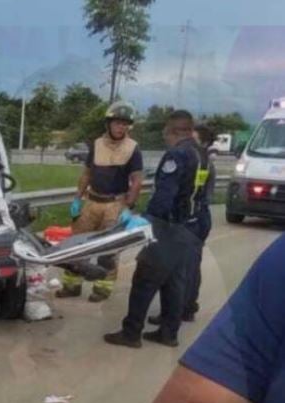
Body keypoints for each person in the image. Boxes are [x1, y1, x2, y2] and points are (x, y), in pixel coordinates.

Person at [140, 234, 285, 403]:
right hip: (181, 226)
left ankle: (168, 325)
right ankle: (176, 318)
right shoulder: (280, 261)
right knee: (183, 272)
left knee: (174, 274)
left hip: (177, 226)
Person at [104, 110, 201, 348]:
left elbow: (165, 195)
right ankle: (169, 333)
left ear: (173, 131)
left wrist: (147, 219)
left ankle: (131, 332)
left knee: (145, 278)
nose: (165, 138)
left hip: (166, 226)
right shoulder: (199, 153)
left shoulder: (176, 155)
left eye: (165, 134)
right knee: (174, 281)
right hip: (187, 226)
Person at [56, 101, 144, 302]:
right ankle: (71, 286)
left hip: (115, 204)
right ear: (109, 123)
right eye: (117, 123)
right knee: (76, 245)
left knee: (109, 250)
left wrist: (128, 206)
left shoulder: (132, 148)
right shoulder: (97, 145)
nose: (121, 127)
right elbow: (87, 173)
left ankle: (102, 288)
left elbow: (137, 180)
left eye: (125, 124)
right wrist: (77, 198)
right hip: (91, 201)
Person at [148, 124, 216, 326]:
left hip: (191, 219)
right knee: (189, 267)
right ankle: (185, 308)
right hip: (197, 218)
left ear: (203, 143)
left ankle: (177, 313)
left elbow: (189, 195)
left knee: (181, 270)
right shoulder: (201, 160)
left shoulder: (199, 162)